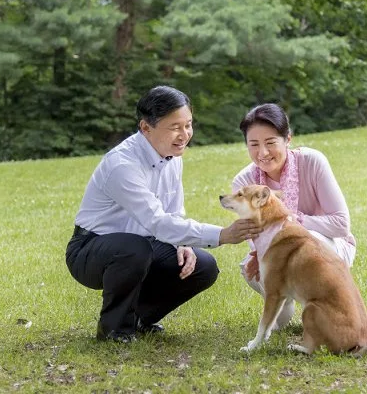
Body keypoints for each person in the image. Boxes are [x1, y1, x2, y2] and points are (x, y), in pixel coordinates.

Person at [66, 86, 262, 343]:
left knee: (202, 266)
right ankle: (114, 329)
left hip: (144, 244)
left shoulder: (173, 155)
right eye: (175, 127)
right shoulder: (122, 165)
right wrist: (223, 234)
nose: (184, 135)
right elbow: (157, 222)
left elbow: (173, 212)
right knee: (134, 248)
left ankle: (139, 319)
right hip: (91, 250)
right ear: (146, 127)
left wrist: (182, 244)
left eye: (188, 125)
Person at [232, 103, 356, 330]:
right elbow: (255, 237)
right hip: (279, 254)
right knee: (249, 267)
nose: (263, 153)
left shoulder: (311, 161)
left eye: (270, 143)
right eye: (254, 144)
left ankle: (325, 306)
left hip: (325, 247)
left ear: (288, 139)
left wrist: (289, 221)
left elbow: (341, 225)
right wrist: (260, 254)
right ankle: (283, 302)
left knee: (311, 241)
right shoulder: (244, 182)